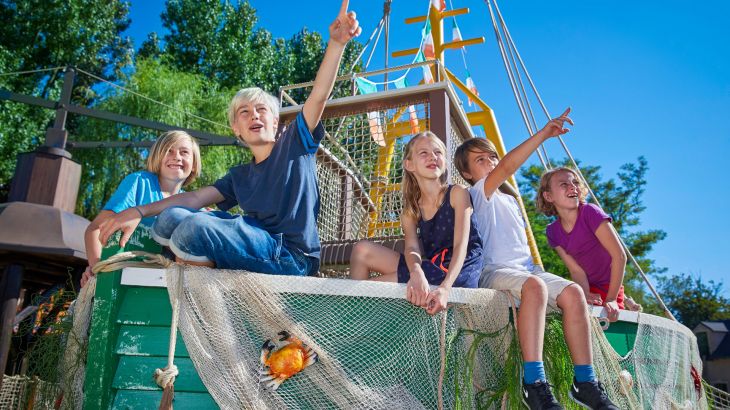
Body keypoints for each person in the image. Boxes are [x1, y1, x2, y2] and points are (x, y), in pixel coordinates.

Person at [98, 0, 361, 276]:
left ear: (275, 121)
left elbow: (318, 96)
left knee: (193, 229)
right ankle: (186, 274)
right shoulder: (240, 176)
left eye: (261, 110)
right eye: (244, 113)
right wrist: (138, 212)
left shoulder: (294, 144)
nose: (254, 116)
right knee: (169, 219)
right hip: (254, 244)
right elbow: (193, 198)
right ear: (236, 128)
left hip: (292, 256)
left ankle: (202, 293)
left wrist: (337, 44)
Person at [454, 109, 618, 410]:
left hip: (526, 270)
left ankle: (585, 382)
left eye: (492, 157)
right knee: (534, 287)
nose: (490, 163)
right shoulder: (478, 193)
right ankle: (534, 382)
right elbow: (507, 166)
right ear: (467, 174)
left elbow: (525, 255)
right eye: (481, 160)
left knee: (573, 294)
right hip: (495, 271)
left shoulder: (510, 200)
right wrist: (543, 134)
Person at [349, 132, 483, 315]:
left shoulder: (457, 193)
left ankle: (356, 320)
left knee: (365, 289)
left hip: (458, 272)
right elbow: (411, 248)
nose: (432, 157)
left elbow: (461, 245)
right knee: (362, 249)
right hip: (433, 266)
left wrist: (445, 288)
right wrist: (416, 272)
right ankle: (358, 321)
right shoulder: (411, 210)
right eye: (423, 153)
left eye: (437, 152)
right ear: (409, 164)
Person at [81, 131, 201, 287]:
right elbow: (96, 229)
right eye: (169, 150)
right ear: (157, 157)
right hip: (122, 278)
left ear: (194, 164)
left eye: (184, 152)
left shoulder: (191, 204)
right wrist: (97, 268)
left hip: (162, 283)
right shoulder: (139, 183)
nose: (176, 156)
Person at [536, 167, 628, 314]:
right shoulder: (552, 231)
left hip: (611, 288)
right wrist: (585, 294)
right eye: (564, 184)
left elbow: (620, 256)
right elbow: (576, 270)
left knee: (607, 320)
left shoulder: (591, 212)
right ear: (548, 196)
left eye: (575, 182)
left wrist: (611, 299)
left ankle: (626, 302)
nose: (573, 186)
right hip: (586, 288)